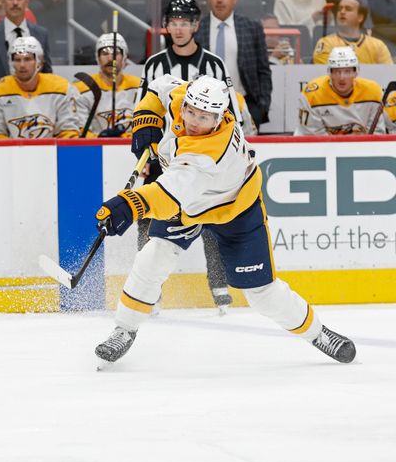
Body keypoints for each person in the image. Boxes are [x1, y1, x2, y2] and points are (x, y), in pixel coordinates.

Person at [92, 74, 356, 367]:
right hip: (189, 203)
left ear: (219, 117)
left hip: (234, 208)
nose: (193, 120)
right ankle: (124, 329)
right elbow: (158, 86)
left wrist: (127, 205)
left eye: (203, 117)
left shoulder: (210, 153)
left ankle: (318, 333)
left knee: (262, 295)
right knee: (153, 257)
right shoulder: (186, 98)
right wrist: (146, 117)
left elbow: (167, 196)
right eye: (191, 110)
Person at [142, 0, 257, 314]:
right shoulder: (154, 64)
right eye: (173, 22)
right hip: (165, 157)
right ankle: (151, 293)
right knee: (153, 219)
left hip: (205, 157)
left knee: (210, 216)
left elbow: (231, 111)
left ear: (195, 26)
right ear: (167, 26)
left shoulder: (214, 64)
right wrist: (145, 138)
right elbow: (147, 107)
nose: (179, 28)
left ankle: (219, 288)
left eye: (185, 22)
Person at [195, 0, 272, 129]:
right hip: (204, 107)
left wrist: (261, 107)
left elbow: (263, 70)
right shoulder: (197, 29)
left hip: (244, 104)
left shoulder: (251, 27)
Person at [0, 36, 78, 139]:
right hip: (12, 153)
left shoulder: (62, 88)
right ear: (10, 62)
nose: (22, 65)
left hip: (52, 152)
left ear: (39, 61)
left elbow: (69, 131)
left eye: (27, 59)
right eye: (17, 60)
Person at [296, 46, 385, 134]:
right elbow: (313, 138)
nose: (342, 78)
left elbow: (376, 134)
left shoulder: (373, 92)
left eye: (347, 71)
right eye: (337, 71)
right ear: (329, 73)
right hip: (320, 147)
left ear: (355, 73)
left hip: (360, 147)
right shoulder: (312, 95)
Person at [73, 32, 142, 138]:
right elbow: (78, 131)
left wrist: (123, 137)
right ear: (97, 58)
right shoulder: (82, 89)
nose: (110, 58)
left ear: (124, 57)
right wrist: (100, 139)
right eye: (105, 53)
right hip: (95, 150)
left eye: (116, 53)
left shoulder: (139, 87)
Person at [313, 0, 393, 63]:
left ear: (360, 17)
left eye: (348, 9)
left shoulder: (378, 45)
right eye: (340, 9)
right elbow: (325, 74)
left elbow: (388, 74)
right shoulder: (326, 43)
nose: (342, 12)